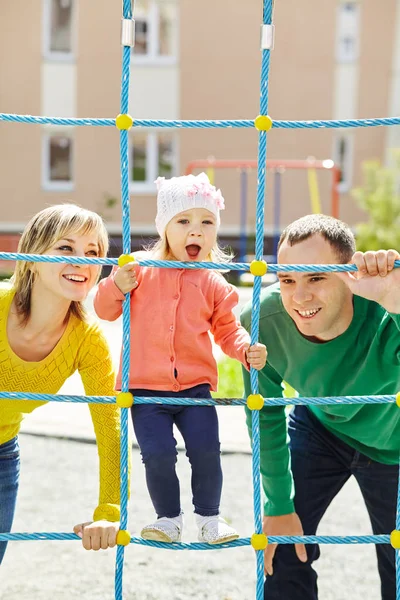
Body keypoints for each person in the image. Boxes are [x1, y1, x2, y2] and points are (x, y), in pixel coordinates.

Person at [94, 172, 267, 544]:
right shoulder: (137, 268)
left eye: (207, 222)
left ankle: (209, 519)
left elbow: (227, 330)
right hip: (145, 390)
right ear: (165, 227)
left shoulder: (213, 282)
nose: (196, 231)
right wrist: (114, 286)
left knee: (206, 452)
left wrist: (245, 349)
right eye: (184, 221)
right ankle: (168, 519)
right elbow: (104, 310)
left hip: (195, 389)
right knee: (157, 456)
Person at [241, 214, 400, 600]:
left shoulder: (383, 312)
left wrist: (395, 301)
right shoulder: (263, 321)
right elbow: (264, 414)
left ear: (348, 274)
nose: (299, 296)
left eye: (316, 277)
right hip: (319, 426)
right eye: (288, 280)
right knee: (278, 549)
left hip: (392, 442)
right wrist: (278, 505)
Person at [0, 203, 124, 564]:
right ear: (33, 257)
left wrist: (109, 510)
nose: (82, 261)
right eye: (65, 248)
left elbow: (110, 427)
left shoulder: (87, 340)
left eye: (93, 252)